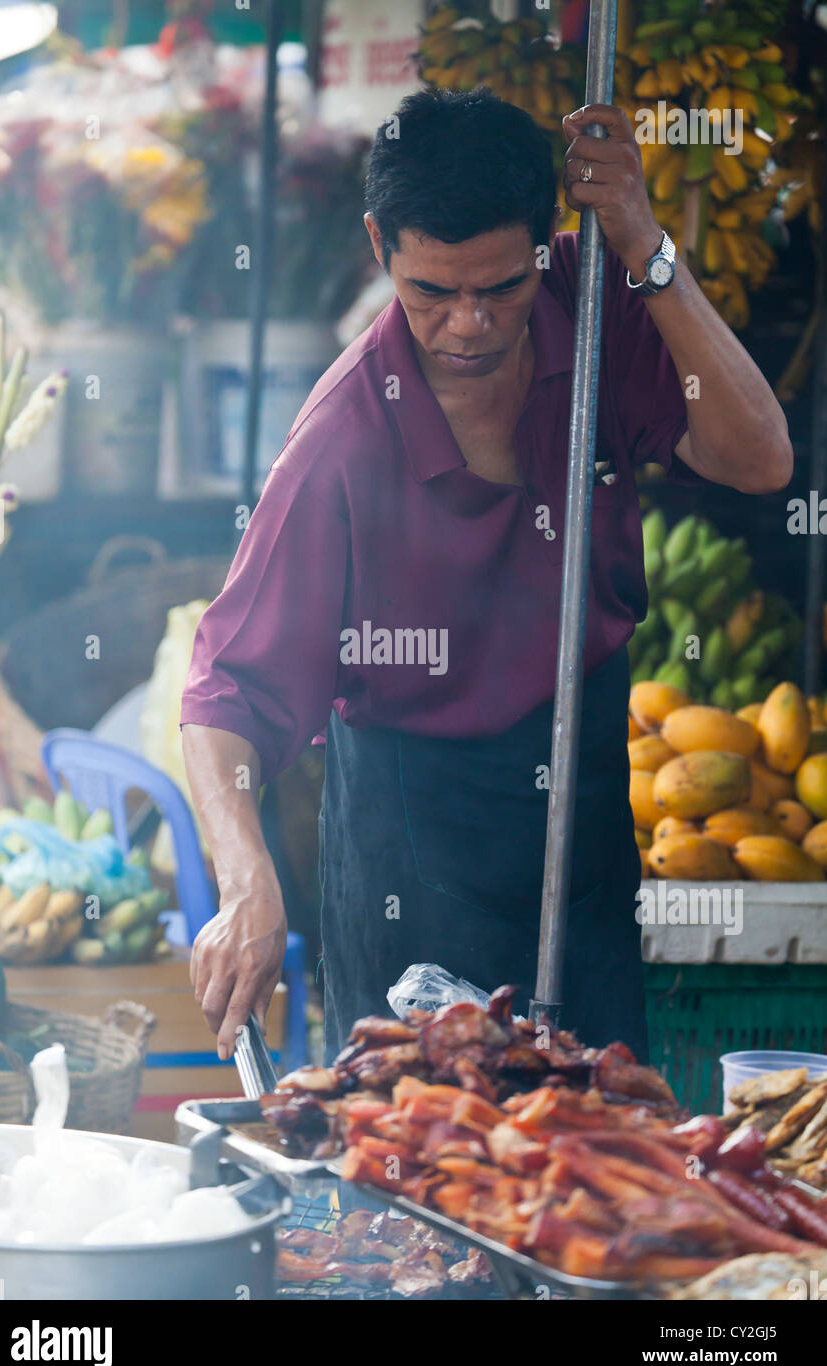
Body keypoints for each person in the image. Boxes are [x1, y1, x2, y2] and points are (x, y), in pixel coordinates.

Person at [180, 88, 792, 1066]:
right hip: (408, 847)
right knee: (420, 1174)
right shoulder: (338, 442)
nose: (467, 324)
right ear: (381, 249)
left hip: (579, 820)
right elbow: (225, 689)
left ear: (546, 243)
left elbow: (758, 458)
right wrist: (246, 875)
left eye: (498, 288)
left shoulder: (590, 314)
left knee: (597, 1165)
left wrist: (643, 245)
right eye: (431, 292)